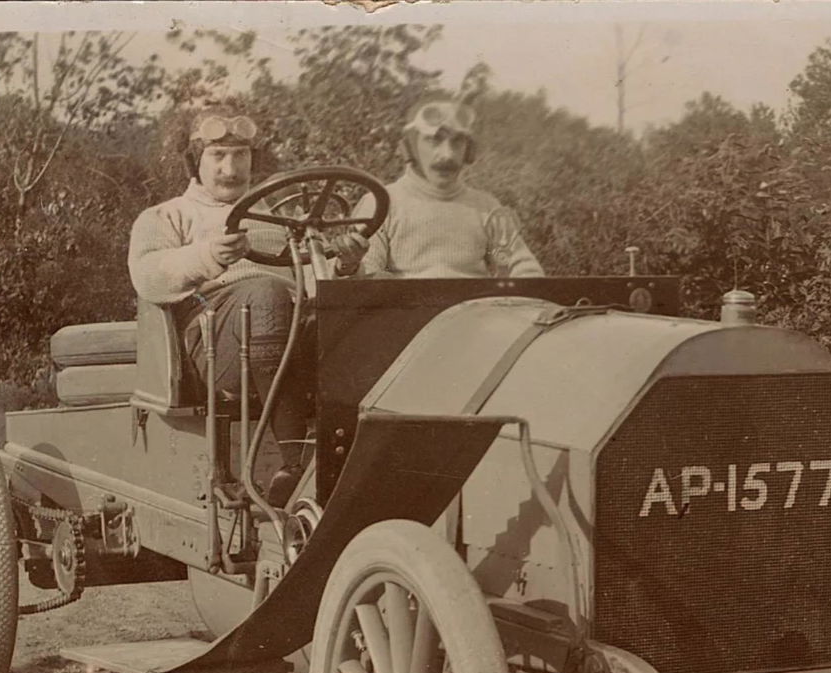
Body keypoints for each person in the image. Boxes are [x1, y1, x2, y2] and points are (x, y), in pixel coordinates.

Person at [128, 107, 352, 504]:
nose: (230, 169)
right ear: (194, 162)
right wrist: (207, 255)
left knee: (353, 311)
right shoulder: (166, 216)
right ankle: (294, 463)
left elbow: (312, 282)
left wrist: (345, 263)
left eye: (240, 155)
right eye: (218, 156)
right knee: (266, 293)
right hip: (212, 352)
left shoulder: (277, 219)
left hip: (279, 329)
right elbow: (148, 277)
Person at [339, 99, 543, 279]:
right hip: (407, 310)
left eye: (457, 142)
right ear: (410, 148)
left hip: (478, 309)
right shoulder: (380, 205)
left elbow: (523, 268)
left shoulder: (486, 206)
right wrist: (350, 263)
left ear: (469, 151)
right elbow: (362, 282)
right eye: (434, 140)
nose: (448, 155)